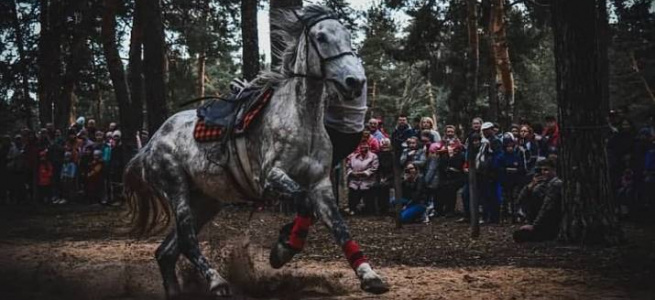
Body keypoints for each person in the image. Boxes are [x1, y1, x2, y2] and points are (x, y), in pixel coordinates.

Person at [513, 159, 562, 243]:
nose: (543, 172)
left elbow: (547, 207)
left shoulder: (555, 183)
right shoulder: (541, 184)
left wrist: (534, 226)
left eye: (546, 170)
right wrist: (530, 186)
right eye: (542, 170)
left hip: (549, 223)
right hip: (537, 221)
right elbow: (519, 200)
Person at [477, 122, 503, 223]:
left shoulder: (495, 141)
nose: (485, 132)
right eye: (483, 130)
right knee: (485, 195)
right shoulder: (485, 141)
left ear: (491, 130)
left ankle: (494, 217)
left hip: (493, 172)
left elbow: (497, 157)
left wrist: (493, 169)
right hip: (485, 172)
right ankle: (486, 216)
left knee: (493, 195)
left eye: (487, 130)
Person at [346, 142, 379, 215]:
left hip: (367, 181)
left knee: (368, 199)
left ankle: (368, 211)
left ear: (369, 147)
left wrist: (364, 173)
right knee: (353, 194)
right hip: (355, 180)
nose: (363, 147)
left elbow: (374, 168)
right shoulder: (353, 157)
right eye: (361, 146)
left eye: (365, 146)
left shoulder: (373, 156)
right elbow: (348, 167)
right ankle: (352, 209)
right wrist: (352, 173)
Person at [376, 138, 394, 215]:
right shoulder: (378, 155)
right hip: (380, 177)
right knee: (379, 186)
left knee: (385, 187)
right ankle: (380, 208)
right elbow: (378, 168)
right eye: (383, 145)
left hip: (391, 177)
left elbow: (394, 170)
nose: (385, 147)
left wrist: (387, 178)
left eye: (387, 145)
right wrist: (381, 178)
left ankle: (387, 208)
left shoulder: (393, 155)